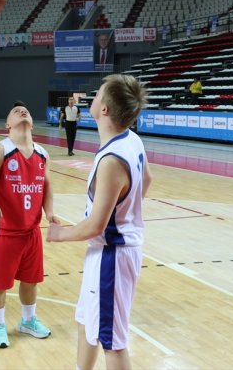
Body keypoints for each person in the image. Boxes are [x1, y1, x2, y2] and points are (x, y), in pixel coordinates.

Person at [47, 74, 152, 370]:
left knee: (113, 344)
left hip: (113, 256)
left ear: (104, 109)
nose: (91, 100)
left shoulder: (111, 161)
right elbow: (147, 180)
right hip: (108, 251)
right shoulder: (131, 139)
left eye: (96, 96)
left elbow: (95, 226)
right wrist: (127, 210)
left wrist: (59, 234)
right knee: (85, 323)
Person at [0, 101, 57, 349]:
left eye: (26, 110)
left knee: (31, 280)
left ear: (32, 122)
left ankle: (27, 320)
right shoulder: (2, 149)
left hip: (30, 230)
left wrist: (50, 212)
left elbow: (46, 185)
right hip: (4, 229)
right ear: (8, 124)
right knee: (0, 283)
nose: (22, 111)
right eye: (15, 111)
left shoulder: (43, 153)